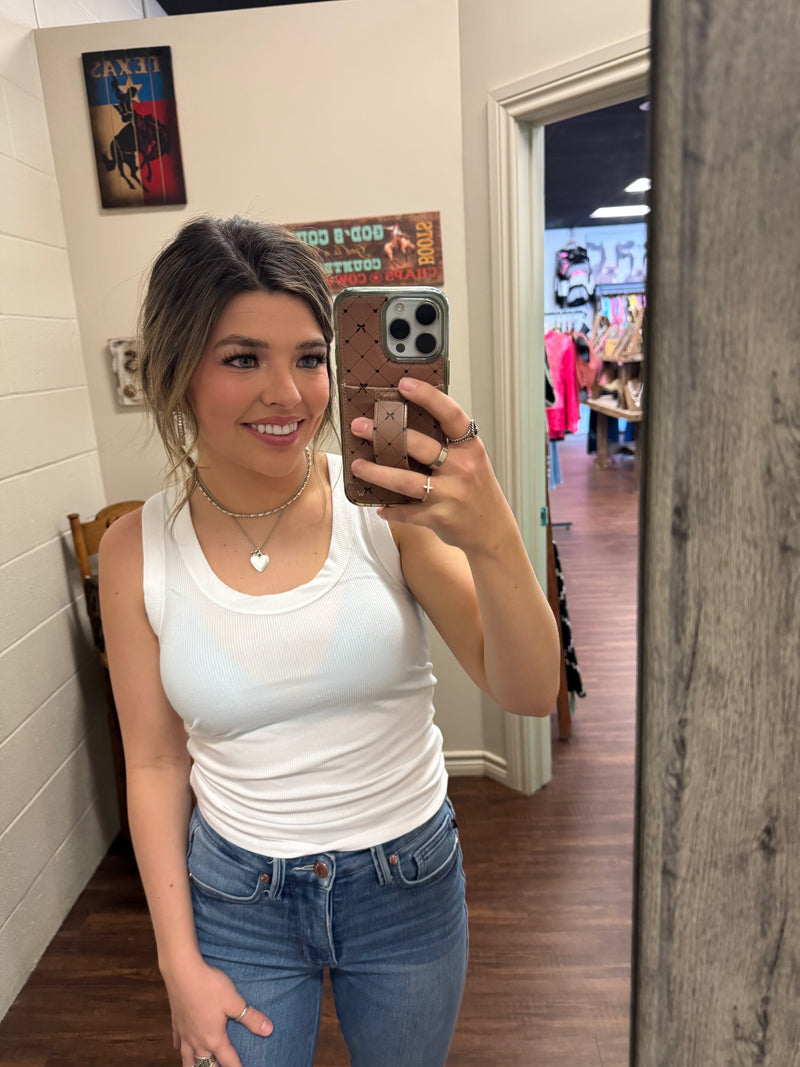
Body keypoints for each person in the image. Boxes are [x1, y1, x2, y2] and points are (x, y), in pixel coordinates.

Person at [99, 216, 560, 1067]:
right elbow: (156, 763)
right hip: (238, 896)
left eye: (310, 358)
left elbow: (531, 691)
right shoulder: (136, 550)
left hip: (406, 883)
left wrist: (493, 530)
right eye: (243, 359)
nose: (289, 394)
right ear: (177, 369)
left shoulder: (385, 514)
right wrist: (176, 963)